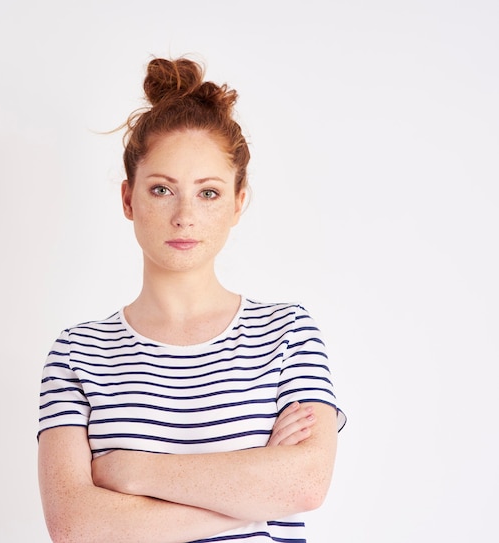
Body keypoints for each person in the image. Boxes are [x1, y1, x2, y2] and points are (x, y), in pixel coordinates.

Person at [37, 56, 346, 543]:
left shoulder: (287, 334)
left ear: (239, 201)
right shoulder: (78, 353)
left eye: (209, 193)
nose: (185, 216)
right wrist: (254, 497)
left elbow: (306, 483)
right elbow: (76, 527)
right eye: (162, 189)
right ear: (128, 198)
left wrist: (132, 472)